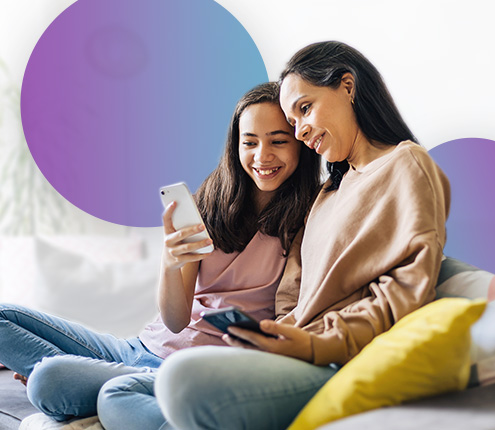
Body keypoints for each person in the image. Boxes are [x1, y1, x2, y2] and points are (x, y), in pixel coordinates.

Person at [153, 41, 452, 430]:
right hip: (290, 351)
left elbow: (405, 293)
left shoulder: (405, 165)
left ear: (348, 87)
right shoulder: (330, 192)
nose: (302, 130)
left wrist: (312, 344)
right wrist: (275, 334)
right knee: (122, 393)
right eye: (294, 123)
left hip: (332, 357)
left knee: (175, 381)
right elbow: (294, 293)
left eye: (305, 109)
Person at [0, 82, 321, 423]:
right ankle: (97, 380)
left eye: (278, 141)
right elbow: (176, 319)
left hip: (188, 369)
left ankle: (90, 383)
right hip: (138, 349)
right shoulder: (210, 202)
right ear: (235, 145)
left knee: (49, 380)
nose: (262, 156)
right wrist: (169, 264)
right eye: (250, 142)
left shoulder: (309, 219)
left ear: (300, 145)